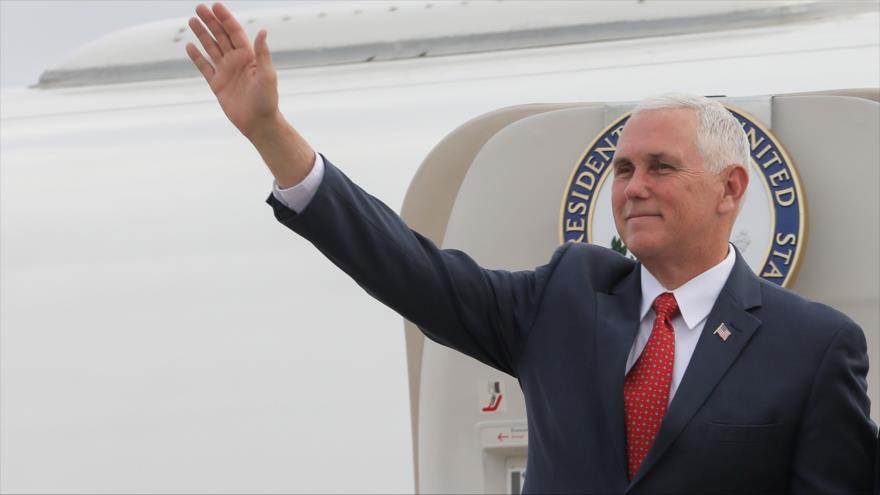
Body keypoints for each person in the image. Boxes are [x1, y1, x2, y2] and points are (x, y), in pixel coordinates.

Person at [185, 3, 876, 493]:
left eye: (661, 167)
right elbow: (412, 272)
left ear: (731, 188)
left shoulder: (813, 348)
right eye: (623, 170)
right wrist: (273, 135)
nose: (633, 187)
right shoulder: (565, 295)